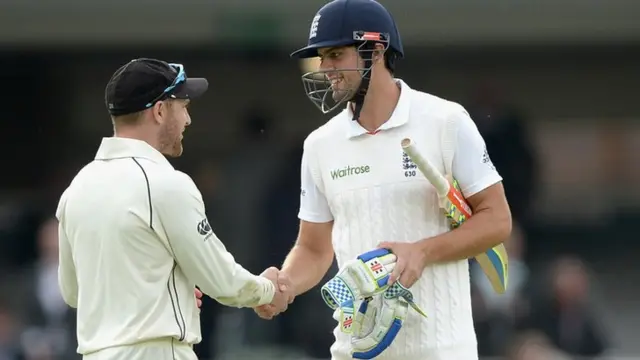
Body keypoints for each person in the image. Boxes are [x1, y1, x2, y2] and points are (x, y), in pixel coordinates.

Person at [254, 1, 512, 359]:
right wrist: (284, 283)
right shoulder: (319, 145)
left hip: (441, 349)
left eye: (334, 54)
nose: (324, 68)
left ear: (374, 50)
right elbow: (313, 248)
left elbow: (497, 220)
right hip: (355, 350)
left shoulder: (446, 121)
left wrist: (422, 251)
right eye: (321, 57)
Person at [56, 58, 292, 360]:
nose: (188, 120)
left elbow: (74, 293)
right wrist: (268, 290)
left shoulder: (76, 188)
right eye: (183, 106)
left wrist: (166, 294)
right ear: (159, 110)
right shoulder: (166, 183)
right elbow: (220, 279)